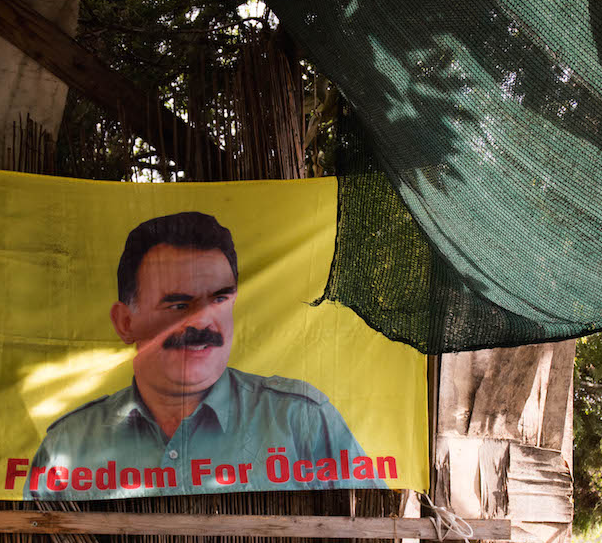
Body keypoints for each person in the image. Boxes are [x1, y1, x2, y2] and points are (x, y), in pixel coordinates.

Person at [23, 212, 392, 498]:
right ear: (125, 322)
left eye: (218, 300)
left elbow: (369, 532)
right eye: (178, 304)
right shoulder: (67, 446)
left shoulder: (301, 421)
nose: (202, 322)